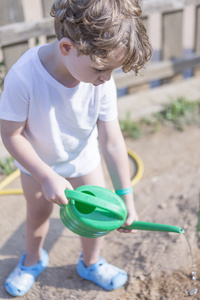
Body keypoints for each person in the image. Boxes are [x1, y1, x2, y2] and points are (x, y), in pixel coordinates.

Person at [0, 0, 152, 296]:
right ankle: (32, 261)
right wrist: (45, 176)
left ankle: (91, 262)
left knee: (97, 218)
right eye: (101, 69)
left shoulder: (100, 81)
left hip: (84, 160)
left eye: (112, 70)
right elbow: (11, 134)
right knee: (37, 216)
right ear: (67, 48)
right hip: (37, 167)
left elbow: (111, 140)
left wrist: (126, 199)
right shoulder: (23, 77)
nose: (107, 78)